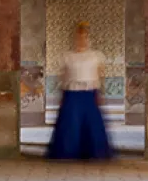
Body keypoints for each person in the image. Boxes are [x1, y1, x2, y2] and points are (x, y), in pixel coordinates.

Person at [47, 21, 114, 161]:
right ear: (75, 38)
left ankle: (94, 152)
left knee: (92, 124)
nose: (82, 39)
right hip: (72, 94)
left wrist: (100, 92)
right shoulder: (67, 56)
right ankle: (68, 151)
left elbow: (100, 74)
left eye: (84, 36)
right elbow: (63, 76)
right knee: (71, 124)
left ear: (88, 38)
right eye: (79, 36)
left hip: (90, 93)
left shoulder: (96, 56)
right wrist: (62, 94)